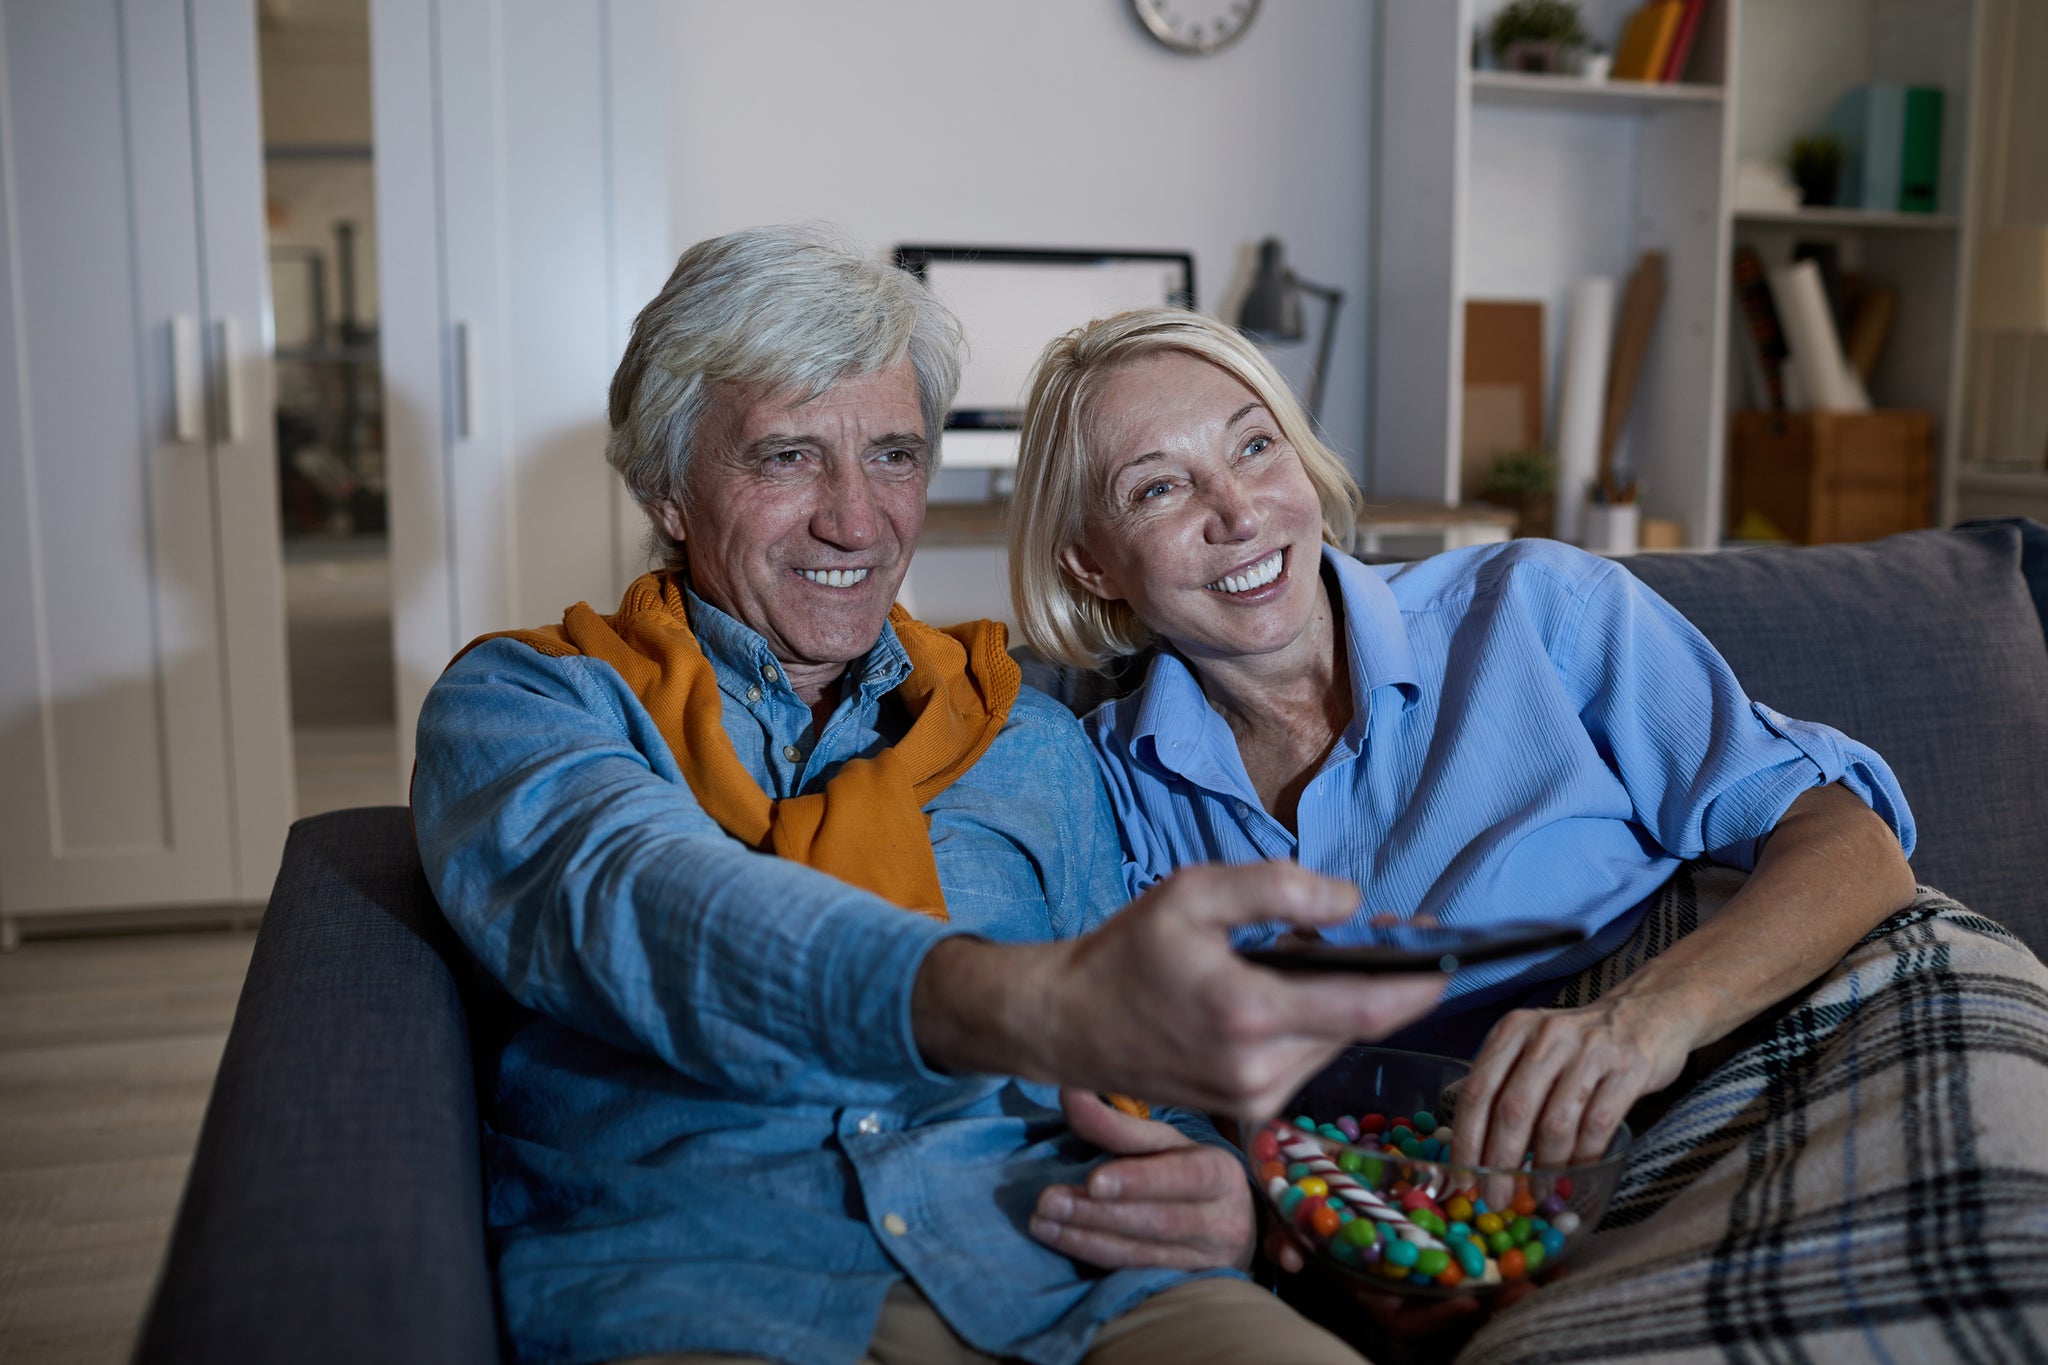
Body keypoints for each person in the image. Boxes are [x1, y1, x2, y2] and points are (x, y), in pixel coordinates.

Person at [410, 227, 1448, 1365]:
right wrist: (1006, 999)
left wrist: (1213, 1186)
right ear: (666, 485)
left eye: (895, 456)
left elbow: (1141, 1069)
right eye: (786, 457)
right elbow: (647, 906)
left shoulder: (1024, 736)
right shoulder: (529, 706)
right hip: (714, 1282)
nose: (857, 521)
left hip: (1066, 1277)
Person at [1005, 304, 1920, 1184]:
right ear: (1091, 561)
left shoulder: (1537, 608)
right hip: (1447, 1180)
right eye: (1159, 487)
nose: (1238, 511)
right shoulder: (1109, 789)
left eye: (1255, 445)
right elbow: (1145, 1075)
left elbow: (1856, 849)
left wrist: (1642, 1021)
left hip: (1736, 1036)